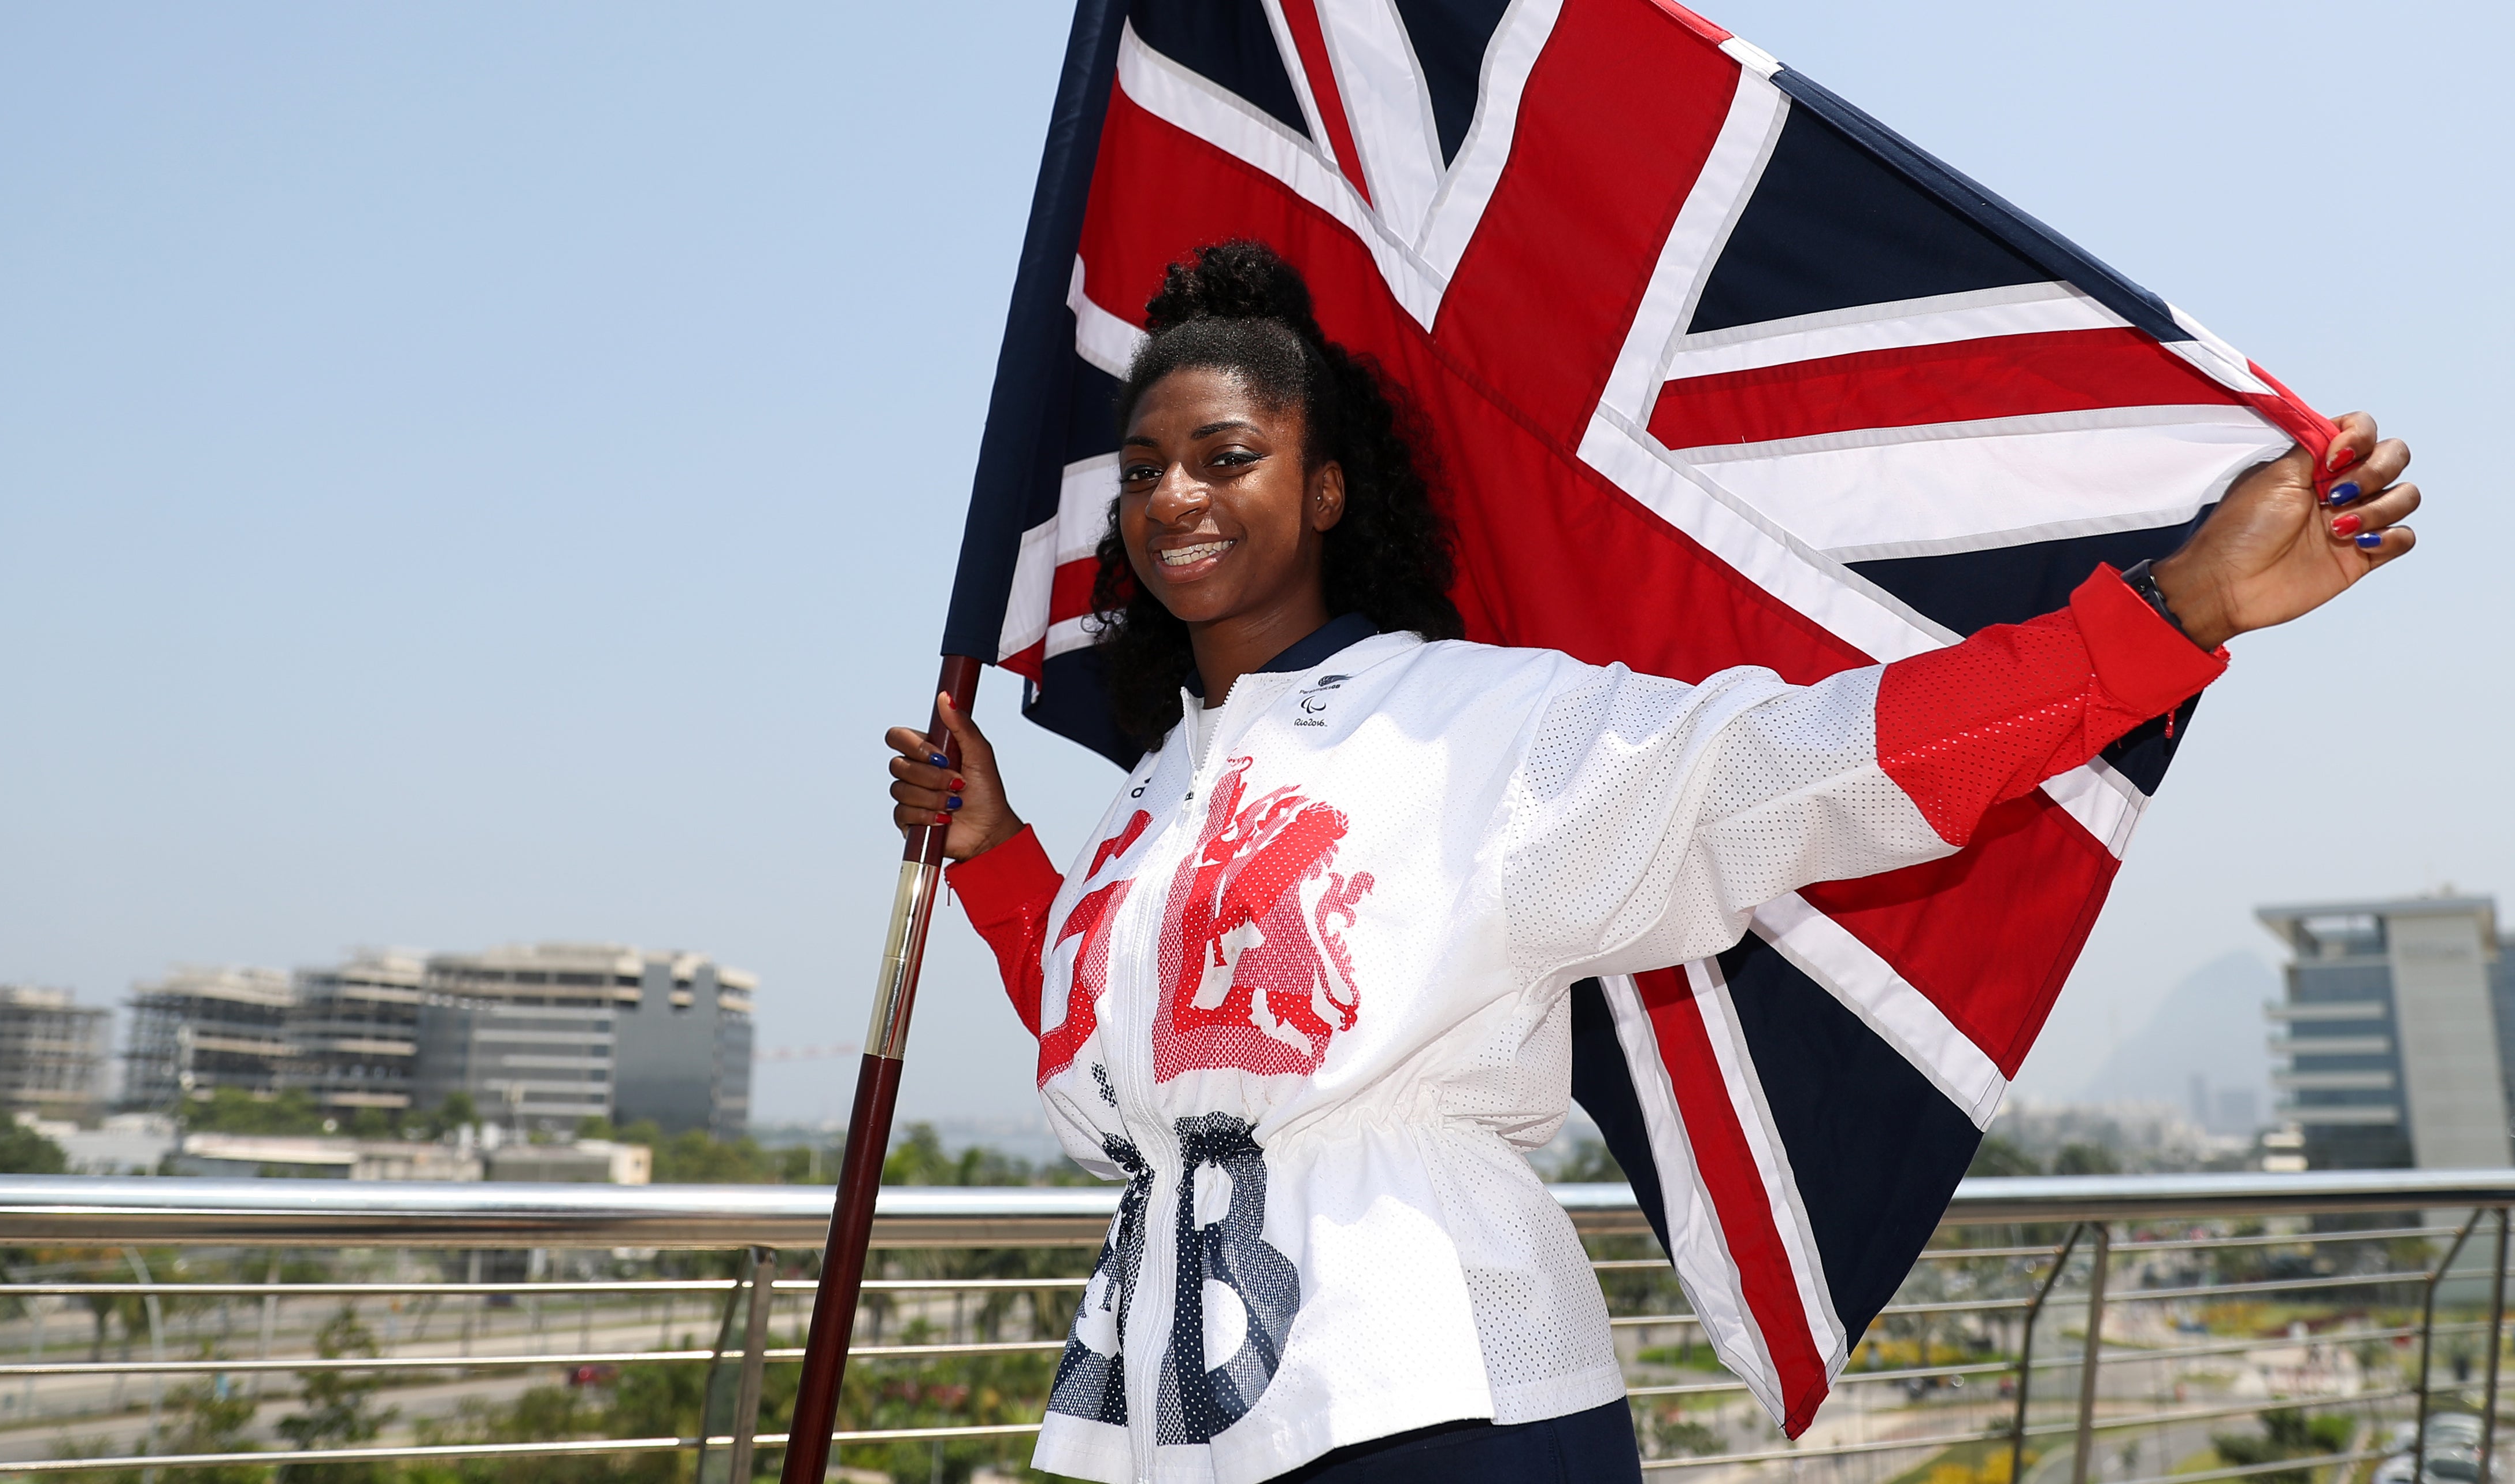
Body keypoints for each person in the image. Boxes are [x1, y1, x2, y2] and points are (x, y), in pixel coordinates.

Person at [880, 242, 2418, 1484]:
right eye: (1142, 467)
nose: (1172, 498)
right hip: (1164, 1415)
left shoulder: (1475, 726)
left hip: (1434, 1405)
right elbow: (1127, 1076)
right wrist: (1006, 858)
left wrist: (2159, 620)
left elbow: (1812, 768)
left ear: (1328, 487)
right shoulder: (1156, 799)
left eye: (1226, 456)